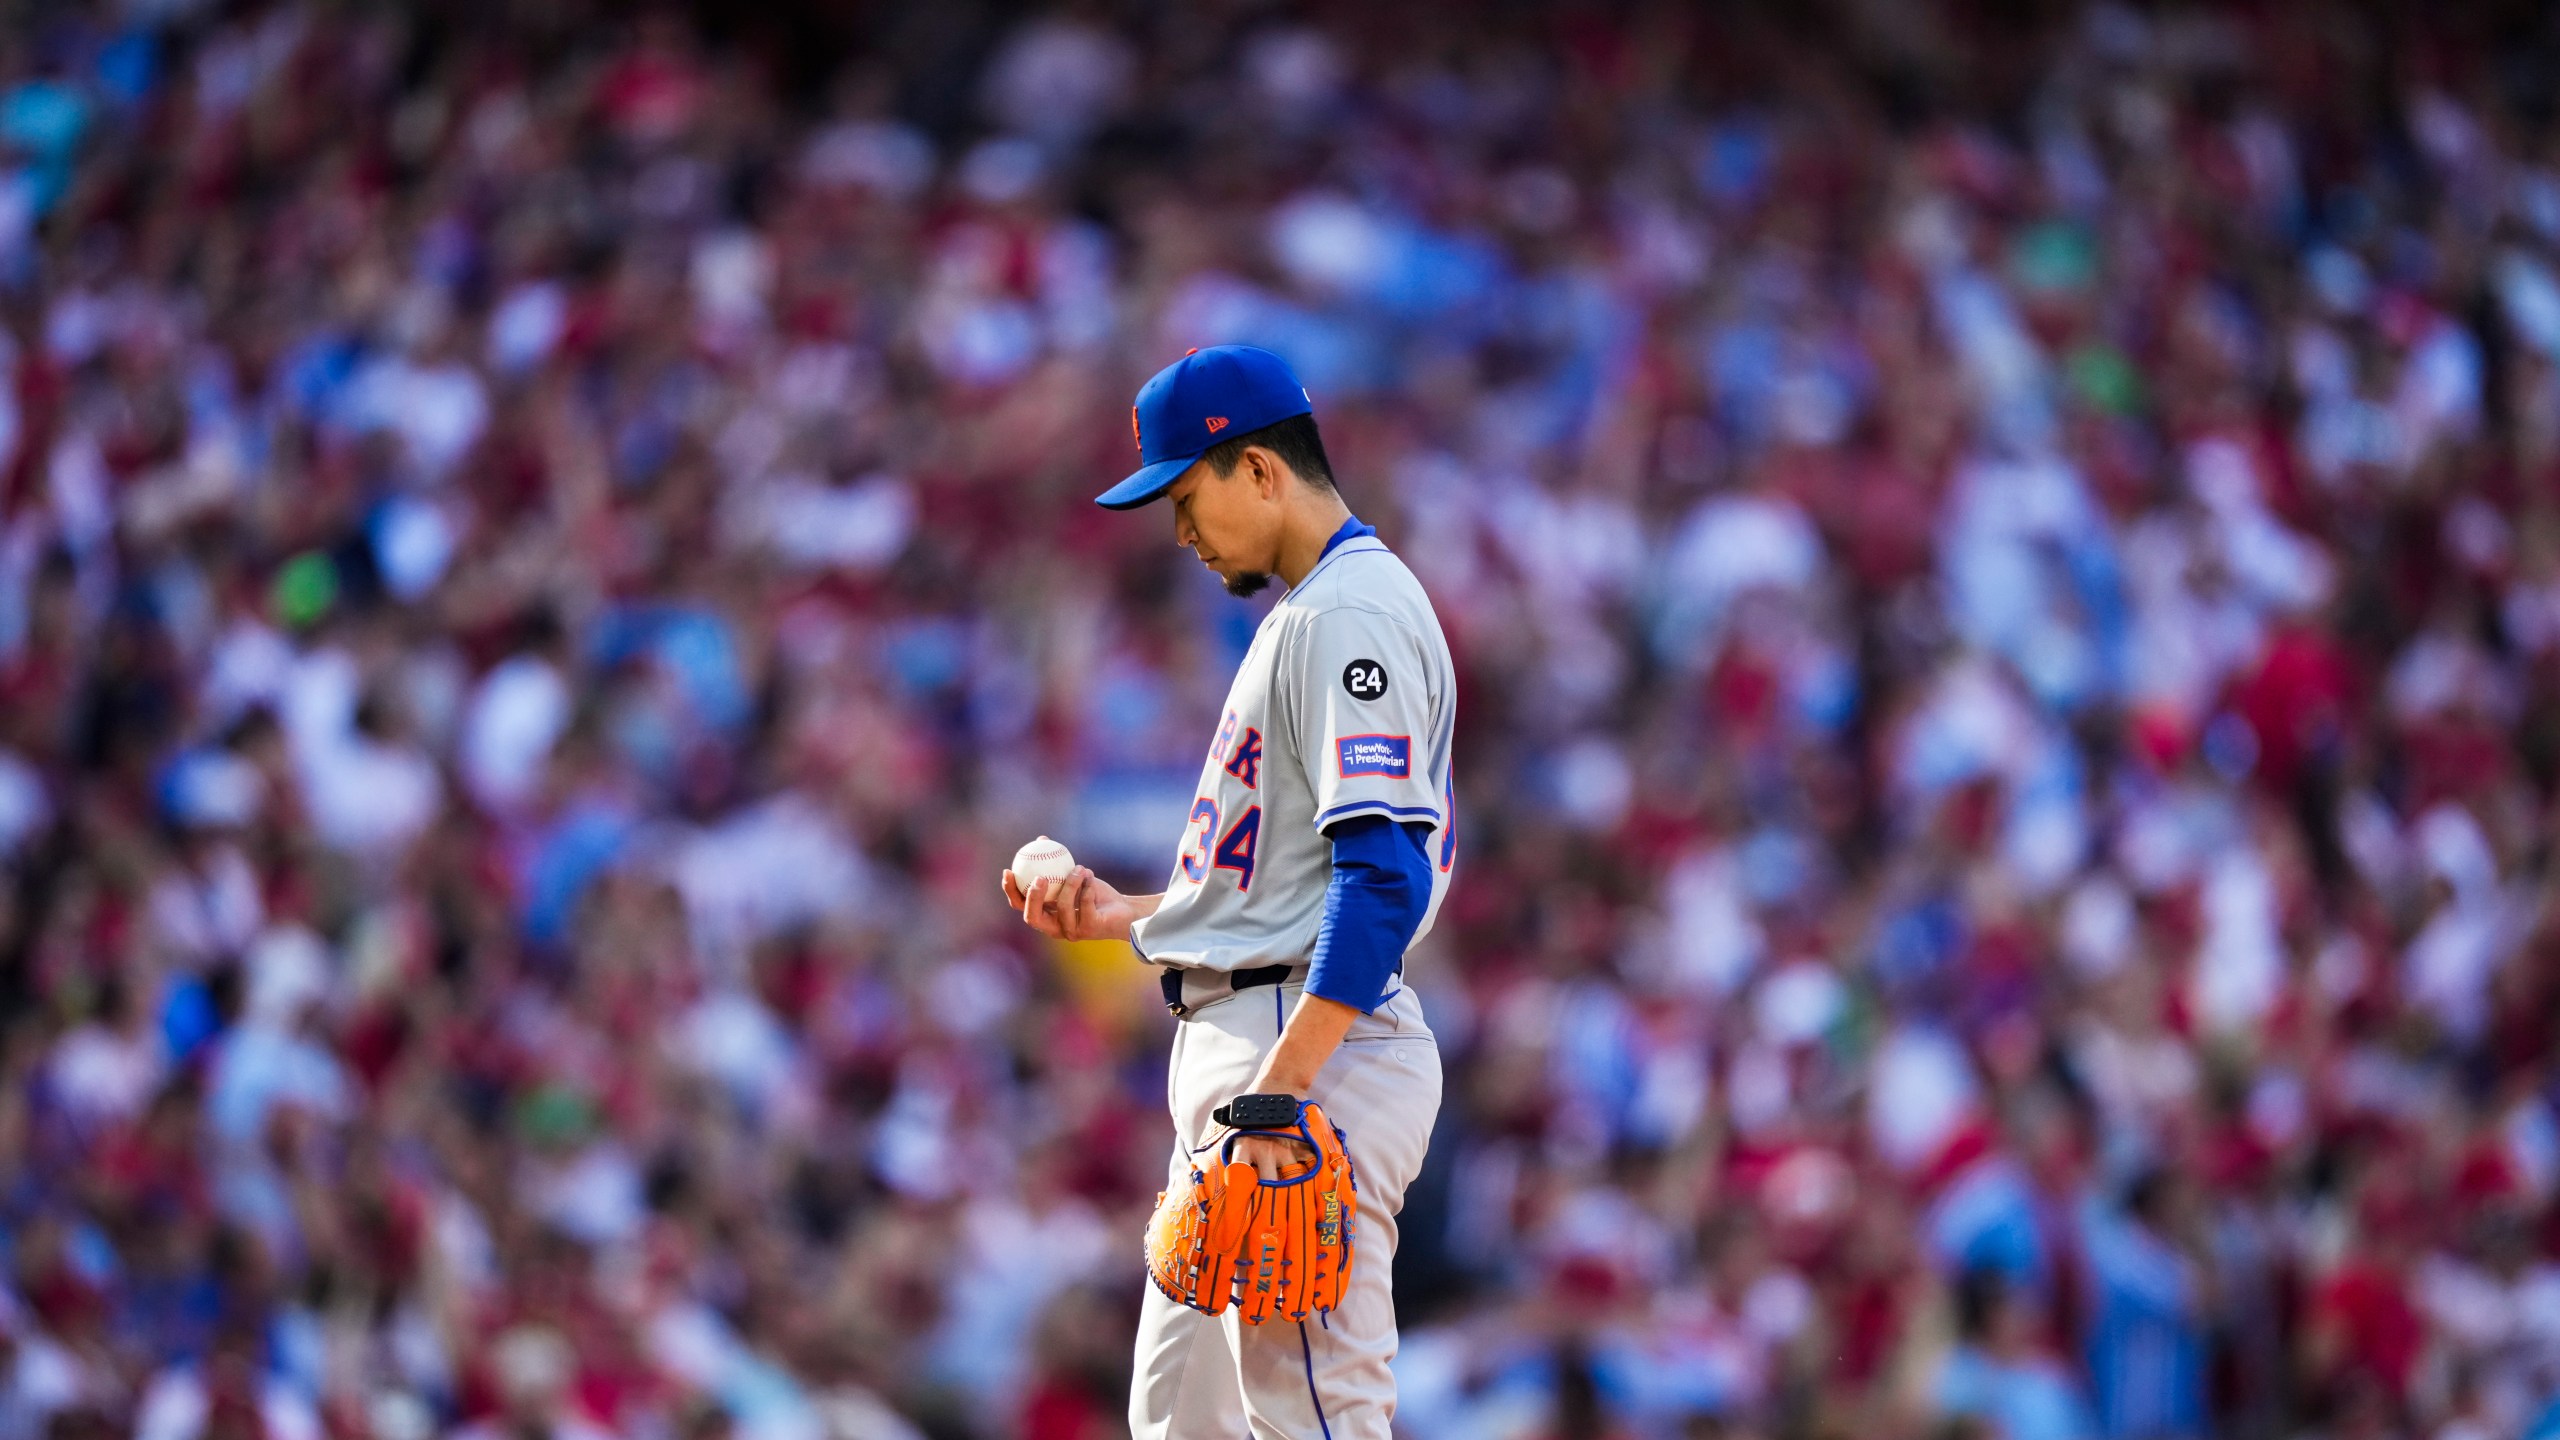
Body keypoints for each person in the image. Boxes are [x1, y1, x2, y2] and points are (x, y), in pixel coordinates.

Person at [1003, 344, 1453, 1439]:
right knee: (1182, 1422)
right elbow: (1276, 889)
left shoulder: (1346, 614)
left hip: (1297, 1053)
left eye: (1184, 492)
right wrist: (1122, 916)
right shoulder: (1309, 615)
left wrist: (1278, 1095)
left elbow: (1379, 877)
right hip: (1260, 1038)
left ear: (1258, 471)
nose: (1178, 530)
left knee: (1308, 1417)